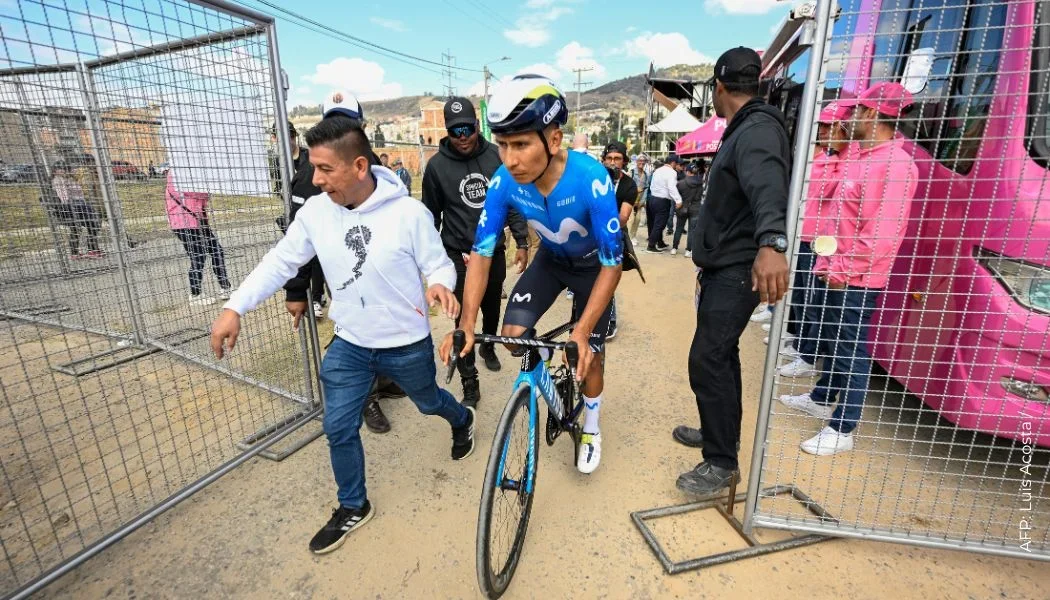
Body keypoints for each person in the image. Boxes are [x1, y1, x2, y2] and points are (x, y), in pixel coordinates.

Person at [209, 114, 475, 555]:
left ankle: (461, 419)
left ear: (358, 167)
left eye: (324, 169)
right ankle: (353, 504)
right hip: (350, 344)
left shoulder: (408, 213)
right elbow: (280, 262)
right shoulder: (316, 212)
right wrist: (234, 307)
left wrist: (440, 283)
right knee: (337, 426)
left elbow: (437, 262)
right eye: (313, 167)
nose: (315, 179)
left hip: (404, 344)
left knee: (429, 402)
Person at [439, 75, 623, 474]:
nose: (509, 159)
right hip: (551, 263)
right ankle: (541, 360)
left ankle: (590, 425)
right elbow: (482, 253)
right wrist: (467, 323)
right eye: (502, 145)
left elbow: (614, 264)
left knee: (586, 358)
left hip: (594, 269)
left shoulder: (591, 179)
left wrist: (582, 329)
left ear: (554, 140)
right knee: (511, 338)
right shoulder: (503, 181)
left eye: (521, 144)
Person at [673, 47, 790, 498]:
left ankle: (721, 462)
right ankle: (718, 430)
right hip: (726, 264)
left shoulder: (756, 130)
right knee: (723, 355)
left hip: (739, 267)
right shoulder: (746, 128)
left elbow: (767, 186)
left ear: (719, 89)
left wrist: (771, 243)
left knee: (707, 357)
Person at [779, 82, 918, 456]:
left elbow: (880, 234)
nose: (847, 118)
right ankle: (823, 396)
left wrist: (842, 268)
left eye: (855, 110)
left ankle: (844, 427)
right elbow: (838, 220)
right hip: (835, 267)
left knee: (851, 349)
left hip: (857, 277)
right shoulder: (863, 158)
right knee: (834, 338)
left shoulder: (896, 164)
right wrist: (828, 261)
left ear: (872, 114)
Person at [282, 91, 402, 434]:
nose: (340, 130)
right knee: (355, 332)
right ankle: (366, 398)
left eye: (348, 123)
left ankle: (386, 380)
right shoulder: (312, 173)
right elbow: (298, 236)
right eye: (333, 122)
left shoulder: (375, 166)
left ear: (361, 128)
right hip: (341, 274)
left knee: (384, 327)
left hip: (380, 271)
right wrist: (295, 289)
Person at [422, 96, 531, 407]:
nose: (463, 137)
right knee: (461, 318)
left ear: (477, 126)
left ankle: (488, 345)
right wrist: (435, 262)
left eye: (468, 129)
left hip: (493, 249)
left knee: (492, 306)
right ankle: (469, 381)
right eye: (455, 131)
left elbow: (512, 204)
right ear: (447, 131)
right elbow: (430, 217)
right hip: (457, 252)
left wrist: (521, 241)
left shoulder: (497, 157)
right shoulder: (436, 168)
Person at [777, 101, 852, 378]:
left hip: (822, 241)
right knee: (804, 298)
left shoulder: (841, 162)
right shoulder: (828, 160)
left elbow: (820, 192)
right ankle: (802, 346)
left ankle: (808, 355)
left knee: (815, 303)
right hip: (810, 236)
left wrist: (828, 160)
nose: (821, 132)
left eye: (827, 126)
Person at [165, 169, 232, 306]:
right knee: (198, 256)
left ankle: (225, 287)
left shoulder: (190, 170)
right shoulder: (176, 172)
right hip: (184, 223)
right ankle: (195, 295)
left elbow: (202, 195)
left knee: (216, 250)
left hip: (197, 220)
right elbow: (197, 192)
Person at [601, 140, 638, 340]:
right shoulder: (595, 178)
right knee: (588, 278)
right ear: (604, 160)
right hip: (591, 237)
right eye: (609, 158)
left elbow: (623, 218)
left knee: (607, 280)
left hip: (613, 238)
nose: (613, 162)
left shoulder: (628, 184)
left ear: (624, 161)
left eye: (617, 159)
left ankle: (610, 320)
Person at [49, 160, 102, 259]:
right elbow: (63, 196)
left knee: (91, 225)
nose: (64, 171)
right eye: (61, 169)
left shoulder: (70, 179)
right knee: (81, 227)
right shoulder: (58, 180)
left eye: (65, 169)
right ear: (55, 171)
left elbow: (81, 193)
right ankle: (87, 251)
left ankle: (88, 250)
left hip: (81, 205)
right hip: (70, 207)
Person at [646, 153, 682, 253]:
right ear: (673, 163)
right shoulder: (672, 172)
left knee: (655, 222)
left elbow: (652, 184)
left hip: (652, 198)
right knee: (660, 224)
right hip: (662, 201)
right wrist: (678, 200)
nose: (677, 165)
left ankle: (660, 242)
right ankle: (651, 245)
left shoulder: (658, 170)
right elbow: (672, 187)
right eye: (677, 163)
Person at [671, 160, 705, 257]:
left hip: (682, 208)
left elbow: (676, 196)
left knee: (678, 228)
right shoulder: (701, 183)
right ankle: (688, 250)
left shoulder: (681, 183)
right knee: (692, 230)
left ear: (687, 171)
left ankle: (674, 248)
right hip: (695, 208)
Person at [630, 154, 651, 245]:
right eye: (640, 161)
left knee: (638, 219)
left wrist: (643, 201)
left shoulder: (646, 175)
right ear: (636, 162)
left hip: (640, 201)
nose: (641, 162)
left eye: (643, 161)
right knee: (630, 220)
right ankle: (629, 237)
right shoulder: (631, 172)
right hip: (630, 200)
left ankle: (633, 236)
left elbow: (646, 188)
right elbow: (627, 187)